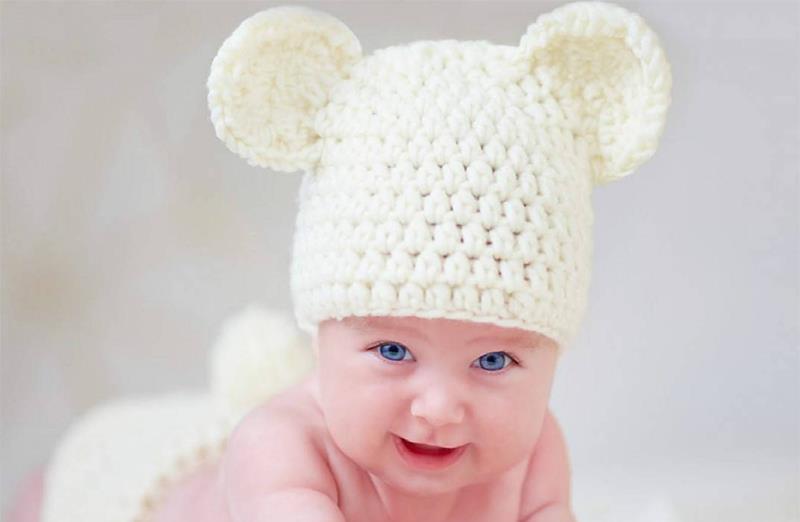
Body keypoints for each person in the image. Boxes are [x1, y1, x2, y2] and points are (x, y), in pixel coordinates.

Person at [9, 1, 672, 521]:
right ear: (322, 335)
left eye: (494, 361)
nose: (440, 407)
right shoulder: (281, 451)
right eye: (392, 350)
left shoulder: (532, 458)